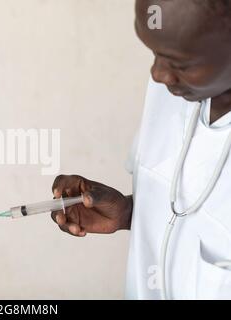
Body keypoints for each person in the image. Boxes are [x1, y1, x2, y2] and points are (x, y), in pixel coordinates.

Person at [51, 0, 231, 299]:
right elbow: (194, 210)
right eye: (155, 53)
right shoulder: (176, 91)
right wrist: (129, 212)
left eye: (180, 63)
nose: (158, 74)